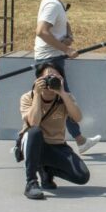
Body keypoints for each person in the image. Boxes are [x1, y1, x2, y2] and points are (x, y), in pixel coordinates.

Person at [34, 0, 101, 154]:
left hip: (52, 59)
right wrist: (66, 49)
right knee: (60, 101)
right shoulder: (52, 4)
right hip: (49, 61)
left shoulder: (56, 3)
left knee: (61, 101)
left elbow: (61, 22)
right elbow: (41, 31)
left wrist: (68, 35)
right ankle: (24, 141)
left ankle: (80, 141)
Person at [17, 62, 91, 200]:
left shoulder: (65, 97)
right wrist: (38, 95)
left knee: (82, 176)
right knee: (35, 132)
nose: (53, 79)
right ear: (38, 80)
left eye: (57, 76)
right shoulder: (28, 97)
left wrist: (62, 93)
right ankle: (31, 183)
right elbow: (34, 123)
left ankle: (46, 170)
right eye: (49, 76)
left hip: (57, 145)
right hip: (34, 145)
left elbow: (78, 117)